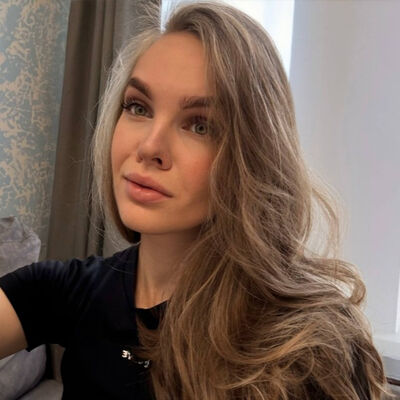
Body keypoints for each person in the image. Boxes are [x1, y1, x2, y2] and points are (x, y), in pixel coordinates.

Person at [0, 1, 392, 399]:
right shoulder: (67, 290)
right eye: (138, 107)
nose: (149, 147)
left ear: (253, 155)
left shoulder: (308, 345)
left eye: (200, 125)